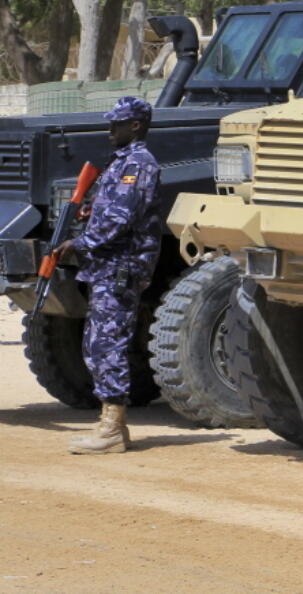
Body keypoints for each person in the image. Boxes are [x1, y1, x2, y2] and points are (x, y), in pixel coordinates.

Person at [59, 96, 161, 455]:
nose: (109, 131)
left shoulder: (138, 163)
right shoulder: (120, 163)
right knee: (97, 343)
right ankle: (110, 423)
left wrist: (80, 243)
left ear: (135, 125)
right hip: (107, 266)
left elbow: (120, 219)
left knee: (109, 345)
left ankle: (113, 429)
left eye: (116, 124)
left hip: (120, 266)